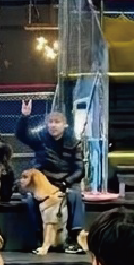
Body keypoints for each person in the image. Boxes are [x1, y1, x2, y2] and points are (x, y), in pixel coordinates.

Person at [16, 100, 85, 254]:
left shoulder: (74, 142)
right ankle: (39, 238)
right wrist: (25, 117)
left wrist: (66, 182)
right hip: (44, 181)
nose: (53, 125)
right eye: (50, 122)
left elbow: (79, 170)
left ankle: (74, 238)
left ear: (64, 125)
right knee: (30, 199)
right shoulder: (40, 138)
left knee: (75, 195)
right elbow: (22, 135)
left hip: (65, 181)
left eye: (57, 122)